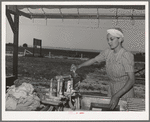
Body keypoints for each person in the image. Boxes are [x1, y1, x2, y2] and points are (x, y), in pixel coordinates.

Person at [70, 28, 135, 110]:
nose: (109, 42)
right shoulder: (108, 52)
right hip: (111, 89)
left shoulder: (126, 55)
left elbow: (132, 80)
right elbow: (94, 60)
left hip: (125, 92)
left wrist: (117, 95)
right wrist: (78, 66)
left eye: (111, 39)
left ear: (120, 39)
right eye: (107, 39)